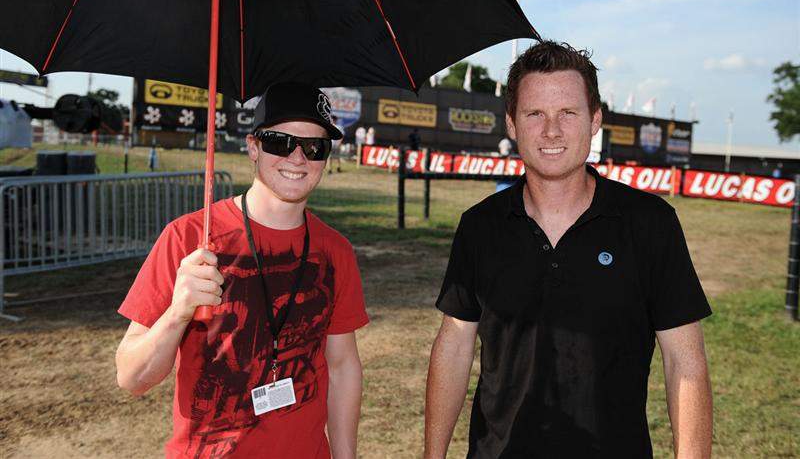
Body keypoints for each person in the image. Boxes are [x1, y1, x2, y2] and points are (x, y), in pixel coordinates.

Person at [425, 41, 713, 458]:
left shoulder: (649, 222)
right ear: (511, 123)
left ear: (595, 119)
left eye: (568, 113)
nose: (551, 130)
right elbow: (453, 346)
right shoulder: (480, 226)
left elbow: (684, 361)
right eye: (535, 114)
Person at [116, 83, 369, 459]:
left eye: (315, 147)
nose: (298, 159)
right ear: (253, 146)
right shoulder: (188, 238)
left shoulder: (336, 251)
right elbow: (132, 378)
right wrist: (178, 313)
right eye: (280, 142)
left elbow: (343, 364)